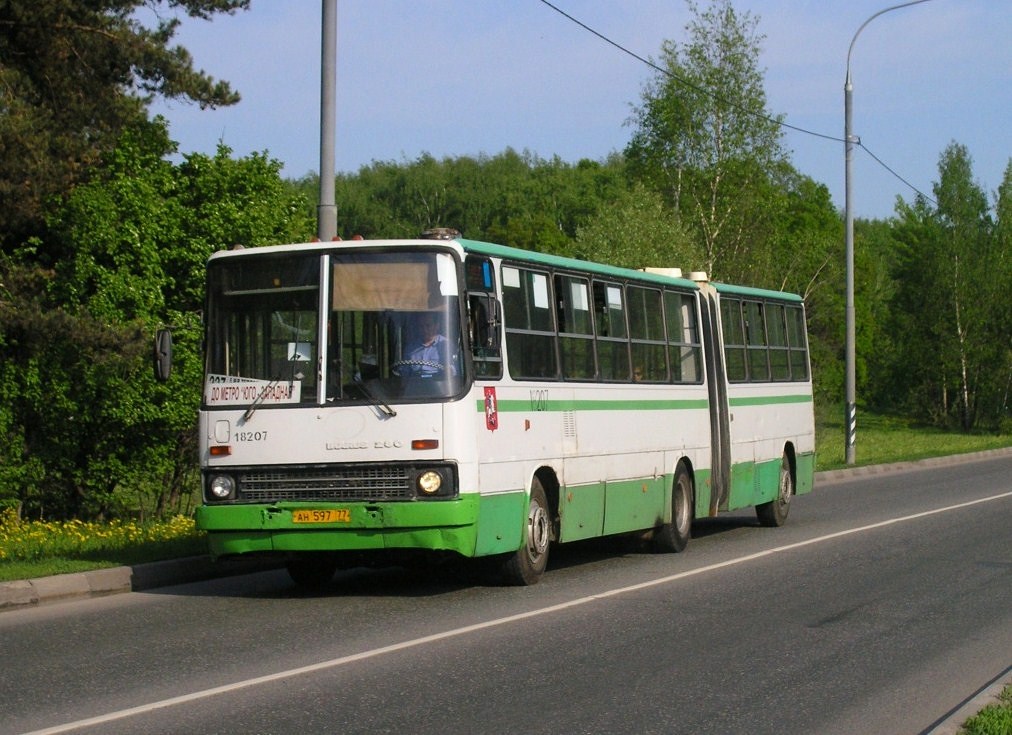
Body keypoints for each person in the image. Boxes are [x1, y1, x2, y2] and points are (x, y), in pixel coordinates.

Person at [398, 312, 453, 377]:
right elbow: (404, 373)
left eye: (428, 326)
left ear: (436, 326)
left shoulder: (446, 344)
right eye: (421, 326)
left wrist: (449, 370)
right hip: (415, 384)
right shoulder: (410, 348)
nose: (424, 330)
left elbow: (454, 369)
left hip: (439, 384)